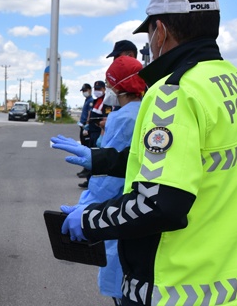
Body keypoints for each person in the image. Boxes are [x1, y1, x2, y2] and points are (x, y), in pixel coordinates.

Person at [54, 0, 237, 305]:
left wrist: (89, 219)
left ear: (161, 31)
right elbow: (185, 164)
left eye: (151, 33)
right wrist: (102, 159)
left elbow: (157, 205)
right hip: (236, 287)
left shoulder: (174, 92)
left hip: (176, 291)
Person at [55, 56, 146, 306]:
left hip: (118, 208)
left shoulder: (122, 117)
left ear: (117, 87)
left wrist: (87, 205)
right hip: (143, 205)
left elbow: (108, 175)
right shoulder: (149, 108)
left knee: (121, 282)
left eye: (109, 85)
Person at [76, 83, 94, 179]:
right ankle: (84, 169)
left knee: (86, 148)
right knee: (83, 147)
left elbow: (89, 114)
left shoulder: (91, 101)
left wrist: (87, 126)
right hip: (82, 126)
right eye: (83, 91)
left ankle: (87, 170)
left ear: (90, 90)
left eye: (85, 90)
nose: (84, 92)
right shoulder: (87, 100)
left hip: (86, 127)